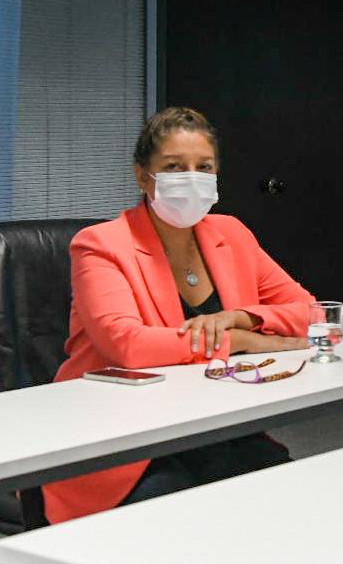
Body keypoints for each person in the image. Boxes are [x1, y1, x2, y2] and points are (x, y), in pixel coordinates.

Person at [42, 107, 315, 524]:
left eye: (203, 167)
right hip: (120, 440)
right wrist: (242, 342)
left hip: (208, 424)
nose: (191, 178)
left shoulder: (231, 234)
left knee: (284, 493)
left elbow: (311, 314)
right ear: (142, 177)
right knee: (179, 514)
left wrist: (242, 318)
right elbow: (128, 346)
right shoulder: (101, 245)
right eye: (173, 167)